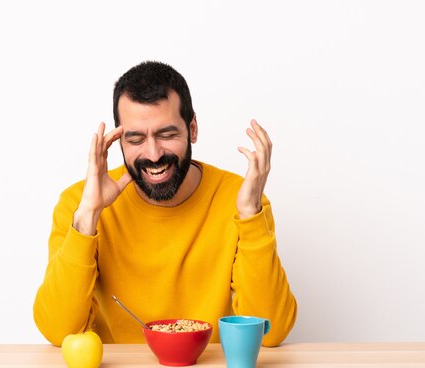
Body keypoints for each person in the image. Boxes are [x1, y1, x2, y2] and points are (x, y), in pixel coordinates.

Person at [33, 61, 297, 347]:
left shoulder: (242, 201)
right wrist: (87, 219)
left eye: (167, 135)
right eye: (136, 139)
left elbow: (271, 332)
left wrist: (250, 216)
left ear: (192, 128)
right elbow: (58, 331)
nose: (154, 154)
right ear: (119, 140)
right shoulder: (80, 204)